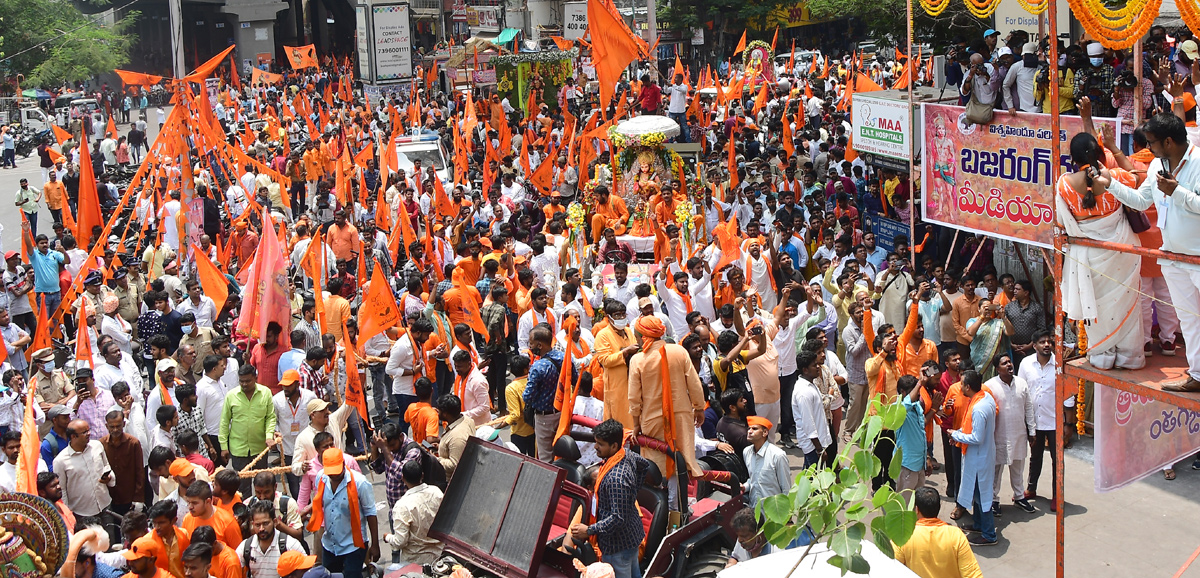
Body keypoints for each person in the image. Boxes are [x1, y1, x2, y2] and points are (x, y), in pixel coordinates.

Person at [1105, 113, 1200, 391]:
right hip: (1172, 258)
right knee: (1188, 318)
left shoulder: (1198, 163)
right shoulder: (1157, 164)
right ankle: (1197, 374)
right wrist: (1110, 185)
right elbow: (1141, 199)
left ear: (1168, 141)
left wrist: (1177, 192)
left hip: (1197, 258)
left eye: (1152, 142)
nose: (1148, 148)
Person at [1054, 129, 1144, 371]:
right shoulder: (1115, 177)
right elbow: (1138, 176)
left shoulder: (1064, 184)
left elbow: (1062, 224)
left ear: (1072, 159)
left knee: (1098, 308)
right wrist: (1114, 149)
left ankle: (1103, 355)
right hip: (1122, 252)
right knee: (1125, 303)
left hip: (1088, 259)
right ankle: (1130, 357)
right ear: (1098, 154)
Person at [628, 315, 705, 509]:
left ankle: (669, 511)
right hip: (681, 417)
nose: (636, 340)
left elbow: (634, 398)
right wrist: (699, 408)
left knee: (660, 466)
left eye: (637, 335)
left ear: (643, 336)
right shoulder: (679, 351)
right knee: (678, 462)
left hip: (652, 422)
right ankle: (677, 510)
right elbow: (694, 383)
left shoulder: (638, 359)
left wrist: (636, 425)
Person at [569, 419, 650, 578]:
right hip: (630, 538)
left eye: (600, 444)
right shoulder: (625, 454)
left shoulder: (615, 479)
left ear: (614, 445)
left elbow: (618, 518)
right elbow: (645, 465)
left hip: (617, 546)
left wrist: (589, 530)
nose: (595, 447)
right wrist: (631, 494)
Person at [304, 448, 380, 578]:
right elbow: (323, 501)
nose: (334, 476)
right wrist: (307, 510)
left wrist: (375, 544)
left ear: (343, 464)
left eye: (337, 472)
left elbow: (371, 513)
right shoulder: (321, 478)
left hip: (353, 546)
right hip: (330, 545)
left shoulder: (360, 483)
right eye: (331, 473)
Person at [947, 370, 998, 546]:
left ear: (968, 387)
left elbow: (977, 437)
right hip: (979, 457)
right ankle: (978, 524)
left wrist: (956, 435)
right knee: (977, 493)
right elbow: (968, 428)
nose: (959, 386)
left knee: (982, 496)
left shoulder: (979, 407)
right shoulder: (983, 398)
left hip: (979, 458)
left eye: (961, 384)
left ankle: (989, 534)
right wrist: (959, 433)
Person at [895, 487, 984, 578]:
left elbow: (891, 569)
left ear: (917, 510)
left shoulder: (903, 537)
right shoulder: (956, 535)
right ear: (938, 508)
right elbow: (973, 574)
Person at [220, 364, 280, 495]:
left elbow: (270, 417)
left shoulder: (265, 393)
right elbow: (224, 422)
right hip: (238, 448)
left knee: (262, 484)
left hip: (259, 448)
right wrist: (224, 446)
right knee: (242, 487)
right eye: (241, 381)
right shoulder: (231, 396)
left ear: (255, 378)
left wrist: (269, 436)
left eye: (248, 381)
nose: (244, 384)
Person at [54, 419, 117, 530]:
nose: (89, 434)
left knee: (109, 543)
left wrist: (109, 478)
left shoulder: (97, 446)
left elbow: (107, 467)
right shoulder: (60, 461)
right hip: (82, 513)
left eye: (88, 430)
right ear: (73, 436)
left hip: (105, 506)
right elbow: (62, 490)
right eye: (84, 432)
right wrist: (68, 514)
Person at [383, 460, 444, 565]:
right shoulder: (436, 492)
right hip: (440, 558)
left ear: (402, 478)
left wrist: (387, 537)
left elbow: (400, 541)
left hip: (415, 563)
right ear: (422, 475)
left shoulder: (402, 506)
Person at [523, 326, 565, 461]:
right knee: (561, 452)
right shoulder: (563, 357)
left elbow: (527, 396)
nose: (530, 346)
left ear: (539, 345)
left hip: (544, 418)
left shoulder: (537, 367)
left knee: (546, 457)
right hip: (562, 413)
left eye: (531, 343)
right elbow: (575, 379)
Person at [237, 501, 306, 578]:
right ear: (252, 524)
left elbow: (307, 571)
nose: (261, 529)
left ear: (275, 522)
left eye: (266, 523)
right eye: (257, 525)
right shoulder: (245, 547)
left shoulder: (290, 544)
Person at [742, 416, 790, 508]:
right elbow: (753, 479)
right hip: (754, 509)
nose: (750, 431)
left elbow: (786, 487)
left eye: (754, 429)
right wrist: (745, 487)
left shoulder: (778, 455)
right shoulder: (746, 452)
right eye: (749, 428)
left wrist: (787, 515)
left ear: (765, 432)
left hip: (774, 511)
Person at [181, 480, 243, 548]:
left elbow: (238, 553)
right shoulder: (187, 519)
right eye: (188, 502)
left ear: (208, 501)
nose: (190, 507)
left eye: (194, 503)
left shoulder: (227, 522)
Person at [893, 375, 927, 494]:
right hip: (906, 466)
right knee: (904, 505)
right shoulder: (897, 409)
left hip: (919, 465)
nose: (918, 394)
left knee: (917, 506)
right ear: (903, 392)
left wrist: (926, 459)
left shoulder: (917, 406)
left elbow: (921, 432)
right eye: (915, 390)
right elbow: (904, 406)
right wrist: (919, 384)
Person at [434, 394, 474, 479]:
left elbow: (455, 464)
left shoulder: (457, 437)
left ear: (445, 414)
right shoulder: (466, 419)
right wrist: (441, 447)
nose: (437, 412)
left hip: (451, 481)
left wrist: (436, 460)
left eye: (439, 411)